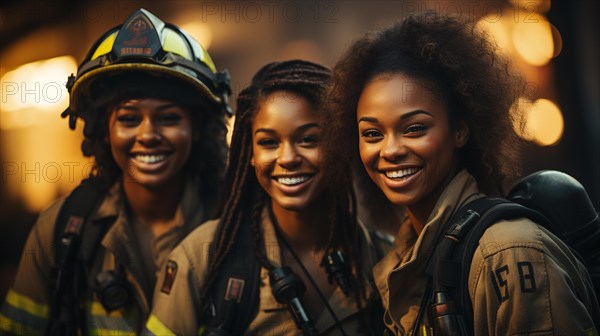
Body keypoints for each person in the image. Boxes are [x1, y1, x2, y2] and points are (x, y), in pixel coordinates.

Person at [324, 12, 600, 336]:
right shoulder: (406, 256)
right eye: (372, 134)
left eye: (414, 128)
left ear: (460, 130)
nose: (390, 149)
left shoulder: (508, 252)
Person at [0, 8, 231, 335]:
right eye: (128, 118)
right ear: (103, 130)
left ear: (197, 129)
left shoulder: (234, 228)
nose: (148, 135)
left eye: (168, 118)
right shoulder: (62, 229)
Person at [145, 60, 385, 335]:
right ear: (250, 153)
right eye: (269, 142)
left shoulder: (384, 259)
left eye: (308, 139)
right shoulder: (201, 259)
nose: (288, 158)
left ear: (340, 144)